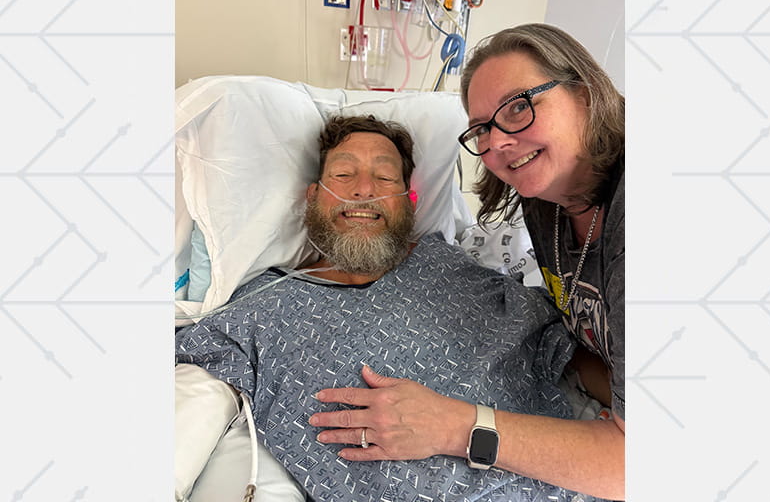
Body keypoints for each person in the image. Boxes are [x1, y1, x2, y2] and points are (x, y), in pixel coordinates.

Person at [176, 115, 585, 502]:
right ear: (314, 195)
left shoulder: (448, 267)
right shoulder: (257, 311)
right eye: (343, 173)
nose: (363, 189)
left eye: (385, 176)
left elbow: (563, 347)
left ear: (409, 201)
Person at [311, 24, 625, 500]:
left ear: (583, 92)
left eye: (519, 106)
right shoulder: (544, 200)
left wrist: (455, 426)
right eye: (482, 128)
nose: (497, 142)